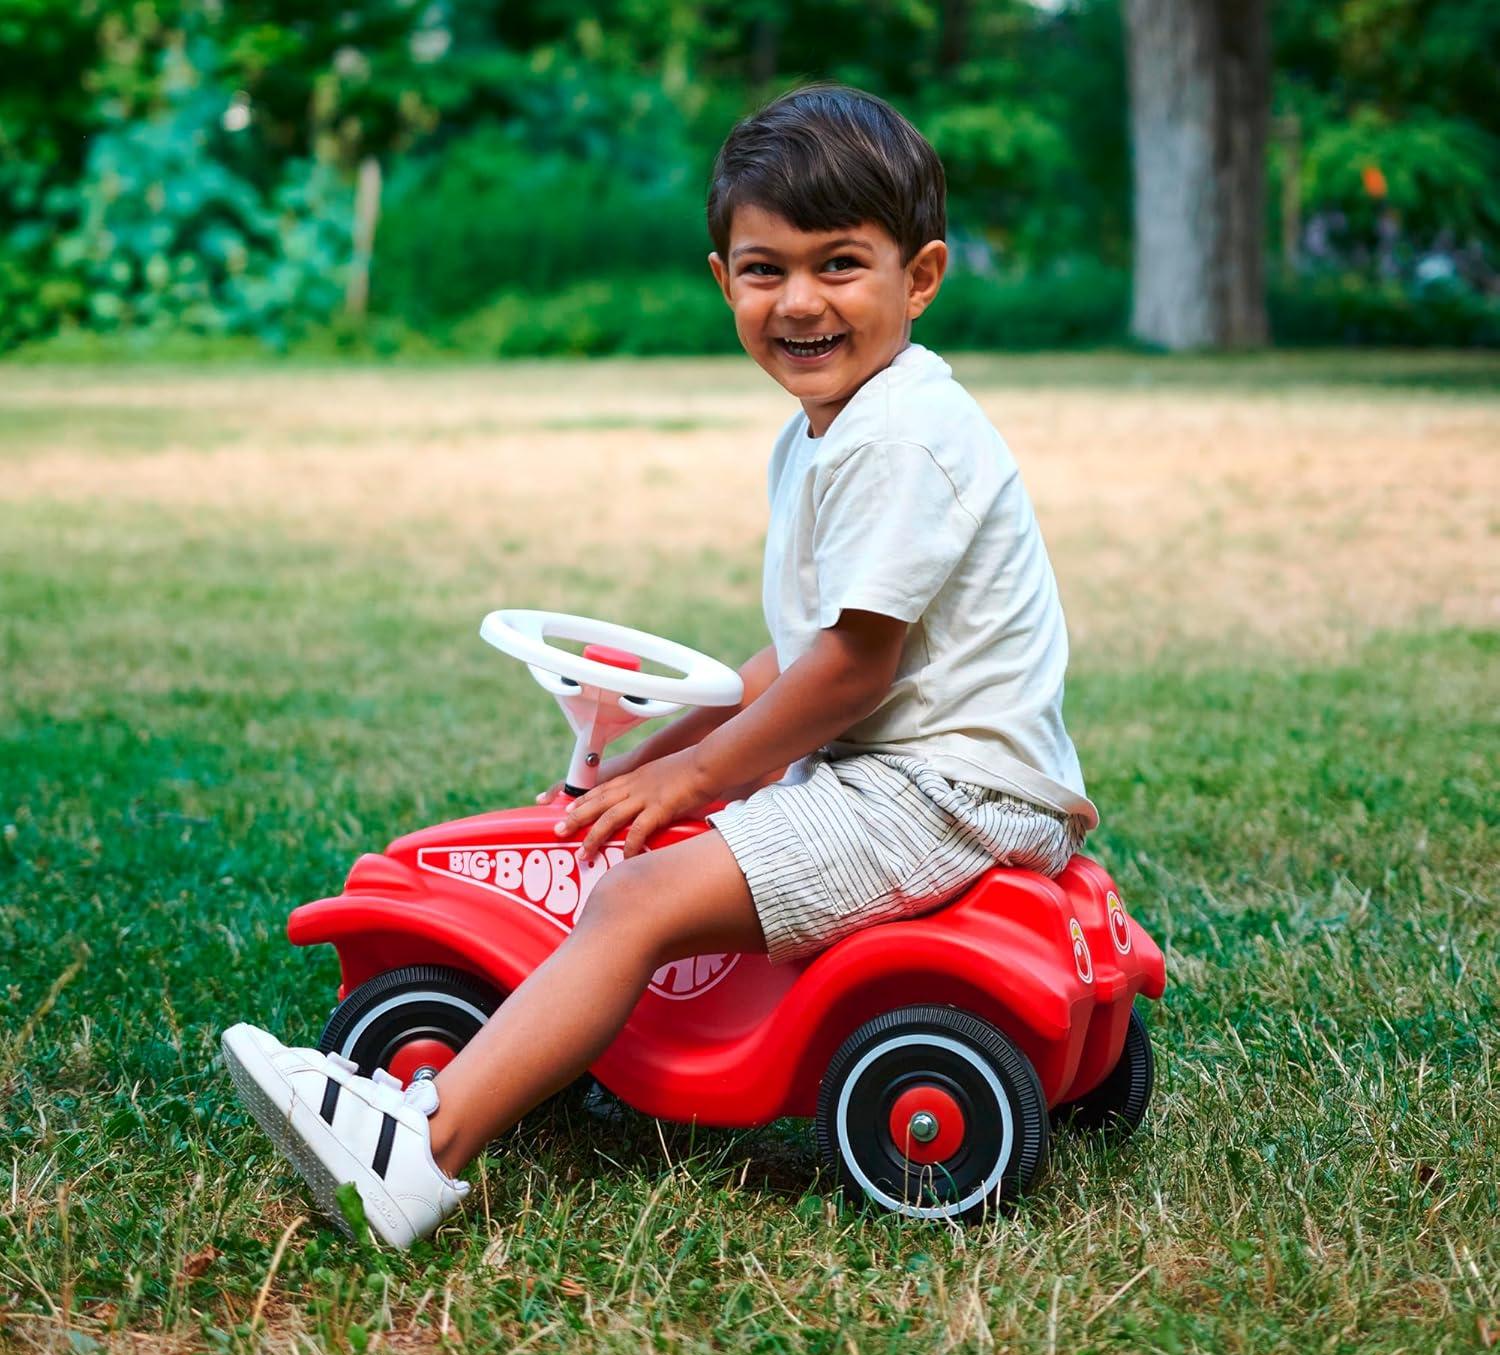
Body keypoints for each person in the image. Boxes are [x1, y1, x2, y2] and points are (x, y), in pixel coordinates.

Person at [221, 84, 1098, 1249]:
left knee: (632, 899)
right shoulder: (835, 425)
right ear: (721, 277)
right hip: (929, 773)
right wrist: (650, 752)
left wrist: (694, 785)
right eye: (762, 268)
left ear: (919, 276)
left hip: (935, 790)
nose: (798, 301)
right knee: (653, 840)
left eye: (839, 264)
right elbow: (793, 654)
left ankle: (416, 1151)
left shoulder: (900, 438)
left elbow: (850, 673)